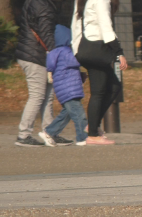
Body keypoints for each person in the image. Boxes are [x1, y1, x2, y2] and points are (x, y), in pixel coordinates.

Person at [14, 0, 73, 147]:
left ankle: (50, 132)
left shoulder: (37, 2)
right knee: (38, 95)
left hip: (35, 54)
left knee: (47, 96)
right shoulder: (43, 5)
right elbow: (46, 32)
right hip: (35, 55)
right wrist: (55, 55)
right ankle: (24, 135)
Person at [71, 0, 128, 145]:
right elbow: (105, 26)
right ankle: (93, 134)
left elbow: (75, 25)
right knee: (100, 92)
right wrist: (119, 52)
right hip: (96, 50)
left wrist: (76, 49)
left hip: (84, 49)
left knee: (111, 88)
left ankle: (93, 125)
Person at [38, 25, 88, 147]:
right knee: (79, 115)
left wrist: (80, 75)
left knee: (66, 115)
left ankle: (49, 132)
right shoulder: (65, 52)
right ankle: (83, 138)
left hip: (65, 89)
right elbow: (78, 60)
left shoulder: (56, 53)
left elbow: (67, 70)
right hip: (69, 90)